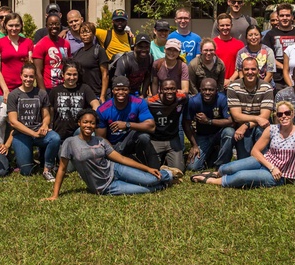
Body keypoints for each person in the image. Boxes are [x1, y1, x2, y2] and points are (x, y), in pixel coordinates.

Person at [191, 100, 295, 189]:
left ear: (293, 114)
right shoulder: (272, 129)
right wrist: (271, 166)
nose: (284, 117)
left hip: (280, 175)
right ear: (276, 116)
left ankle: (213, 181)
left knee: (241, 176)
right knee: (230, 166)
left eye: (287, 113)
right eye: (280, 114)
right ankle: (217, 173)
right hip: (266, 163)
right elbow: (255, 151)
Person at [45, 109, 179, 199]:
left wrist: (148, 168)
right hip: (104, 187)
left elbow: (121, 158)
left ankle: (168, 173)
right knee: (148, 190)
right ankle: (166, 183)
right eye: (85, 122)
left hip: (115, 170)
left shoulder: (100, 141)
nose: (88, 125)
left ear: (95, 126)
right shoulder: (70, 142)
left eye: (92, 123)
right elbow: (62, 169)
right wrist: (55, 195)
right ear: (79, 123)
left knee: (150, 179)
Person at [6, 62, 60, 180]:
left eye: (31, 76)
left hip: (39, 132)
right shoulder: (13, 95)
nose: (28, 79)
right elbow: (13, 121)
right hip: (21, 134)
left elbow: (46, 116)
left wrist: (45, 125)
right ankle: (30, 162)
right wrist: (32, 133)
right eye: (25, 76)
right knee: (26, 171)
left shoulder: (41, 93)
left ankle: (48, 168)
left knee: (55, 138)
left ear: (35, 77)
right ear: (21, 76)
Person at [96, 76, 159, 168]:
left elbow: (151, 127)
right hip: (113, 145)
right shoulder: (103, 109)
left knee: (144, 137)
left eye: (124, 89)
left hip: (131, 141)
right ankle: (128, 161)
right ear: (112, 90)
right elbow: (100, 138)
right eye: (117, 89)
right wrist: (114, 154)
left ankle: (144, 162)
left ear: (129, 90)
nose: (121, 93)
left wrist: (127, 125)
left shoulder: (139, 103)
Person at [226, 57, 274, 160]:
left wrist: (246, 125)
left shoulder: (266, 87)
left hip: (257, 127)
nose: (250, 72)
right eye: (246, 69)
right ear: (242, 71)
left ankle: (264, 161)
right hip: (242, 127)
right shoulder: (233, 87)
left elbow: (264, 117)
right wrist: (257, 118)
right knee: (244, 159)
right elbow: (237, 116)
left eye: (253, 69)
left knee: (262, 131)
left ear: (258, 70)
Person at [185, 78, 235, 171]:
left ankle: (221, 165)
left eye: (211, 90)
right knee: (193, 167)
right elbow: (186, 124)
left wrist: (209, 121)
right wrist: (194, 145)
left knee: (229, 132)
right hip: (203, 136)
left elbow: (230, 121)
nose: (207, 92)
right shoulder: (194, 101)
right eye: (204, 90)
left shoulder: (222, 99)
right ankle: (213, 153)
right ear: (200, 89)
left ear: (216, 90)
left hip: (219, 133)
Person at [49, 61, 101, 138]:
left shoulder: (84, 88)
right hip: (60, 133)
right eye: (69, 74)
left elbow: (96, 104)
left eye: (75, 74)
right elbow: (50, 111)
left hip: (79, 131)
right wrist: (49, 127)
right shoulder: (55, 91)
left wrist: (90, 119)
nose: (72, 78)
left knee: (91, 133)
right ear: (63, 74)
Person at [147, 79, 189, 172]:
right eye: (166, 89)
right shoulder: (150, 102)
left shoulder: (182, 98)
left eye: (172, 89)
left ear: (177, 90)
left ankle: (172, 157)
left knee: (179, 170)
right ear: (160, 90)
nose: (169, 92)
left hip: (172, 139)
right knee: (153, 169)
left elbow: (189, 97)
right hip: (156, 140)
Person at [0, 13, 34, 96]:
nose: (14, 28)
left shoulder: (28, 42)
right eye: (10, 25)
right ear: (5, 25)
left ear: (21, 25)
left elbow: (31, 64)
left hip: (24, 88)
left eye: (17, 25)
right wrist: (5, 90)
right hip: (4, 89)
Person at [263, 3, 295, 89]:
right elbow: (267, 56)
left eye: (287, 15)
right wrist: (284, 67)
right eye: (282, 16)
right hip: (277, 79)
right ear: (278, 17)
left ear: (292, 17)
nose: (285, 18)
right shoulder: (270, 34)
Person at [71, 22, 109, 102]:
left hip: (96, 94)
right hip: (80, 94)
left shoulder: (99, 51)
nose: (85, 35)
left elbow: (105, 74)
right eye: (82, 32)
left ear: (93, 34)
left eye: (88, 32)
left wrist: (102, 96)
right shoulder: (78, 53)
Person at [33, 14, 69, 90]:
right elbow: (38, 72)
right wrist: (43, 92)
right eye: (51, 24)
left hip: (64, 87)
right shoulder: (41, 45)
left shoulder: (66, 44)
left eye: (57, 24)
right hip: (48, 87)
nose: (54, 26)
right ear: (46, 26)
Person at [213, 13, 245, 79]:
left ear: (231, 26)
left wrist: (230, 80)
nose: (225, 28)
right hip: (216, 82)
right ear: (218, 27)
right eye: (222, 25)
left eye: (227, 25)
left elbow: (241, 66)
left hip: (234, 83)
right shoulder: (212, 44)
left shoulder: (239, 45)